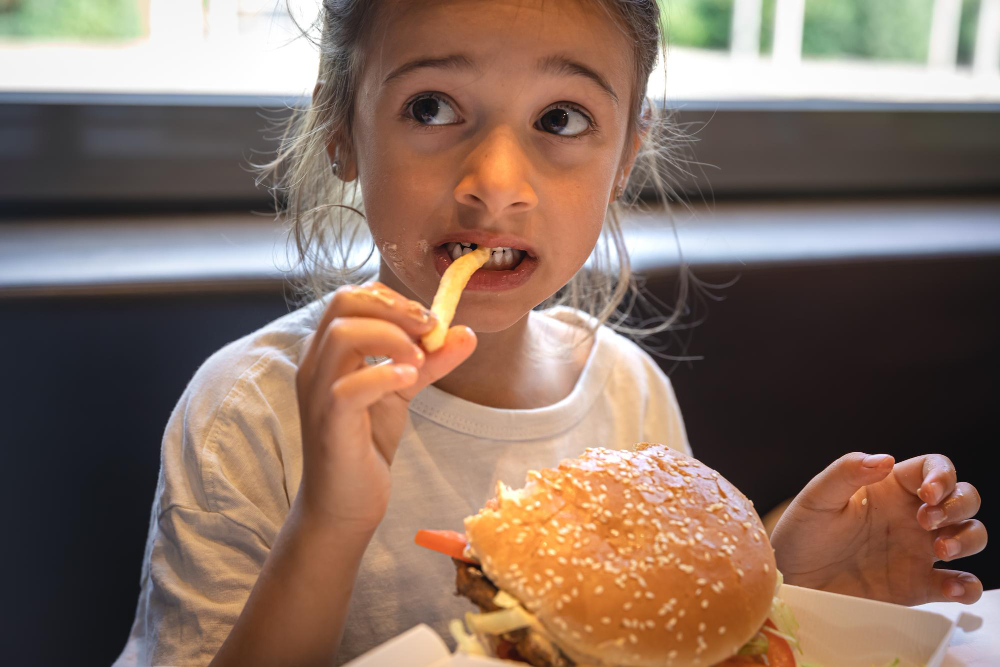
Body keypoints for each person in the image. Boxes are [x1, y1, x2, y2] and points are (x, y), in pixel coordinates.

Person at [113, 1, 987, 665]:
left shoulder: (628, 389)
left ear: (625, 159)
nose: (495, 183)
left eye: (560, 119)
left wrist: (776, 584)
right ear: (342, 129)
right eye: (430, 107)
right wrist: (331, 519)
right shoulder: (250, 408)